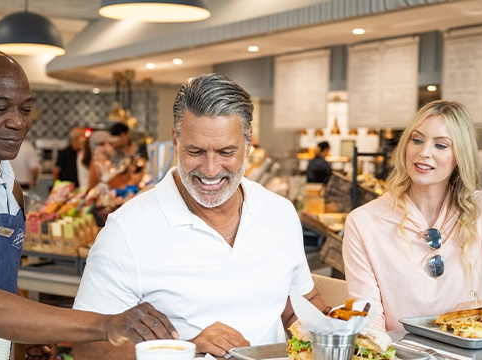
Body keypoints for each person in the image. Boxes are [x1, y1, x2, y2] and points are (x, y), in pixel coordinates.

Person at [0, 49, 177, 358]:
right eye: (0, 108)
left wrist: (29, 328)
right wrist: (107, 325)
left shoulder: (0, 169)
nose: (17, 122)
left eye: (24, 108)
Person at [72, 73, 328, 359]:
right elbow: (88, 350)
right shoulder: (126, 231)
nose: (210, 169)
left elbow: (298, 306)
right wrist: (186, 350)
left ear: (248, 143)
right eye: (195, 151)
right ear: (176, 140)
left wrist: (328, 336)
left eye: (226, 151)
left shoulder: (280, 212)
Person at [342, 100, 482, 332]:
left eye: (441, 145)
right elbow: (369, 321)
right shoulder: (363, 222)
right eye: (416, 140)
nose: (424, 152)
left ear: (460, 156)